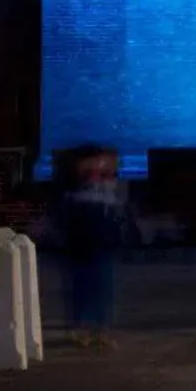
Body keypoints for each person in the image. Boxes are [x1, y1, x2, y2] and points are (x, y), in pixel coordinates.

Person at [58, 145, 127, 349]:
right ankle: (83, 328)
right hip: (84, 244)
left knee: (100, 287)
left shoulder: (107, 190)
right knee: (85, 286)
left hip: (99, 244)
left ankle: (97, 329)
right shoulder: (78, 193)